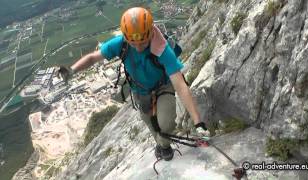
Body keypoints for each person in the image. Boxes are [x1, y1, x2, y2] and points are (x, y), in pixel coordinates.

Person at [58, 7, 210, 161]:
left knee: (166, 124)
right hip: (140, 91)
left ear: (151, 33)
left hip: (163, 86)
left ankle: (164, 145)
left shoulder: (162, 48)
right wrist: (72, 70)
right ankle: (161, 144)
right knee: (151, 123)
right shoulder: (120, 44)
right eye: (133, 43)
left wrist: (198, 122)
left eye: (143, 43)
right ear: (126, 37)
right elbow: (93, 58)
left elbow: (180, 85)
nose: (138, 47)